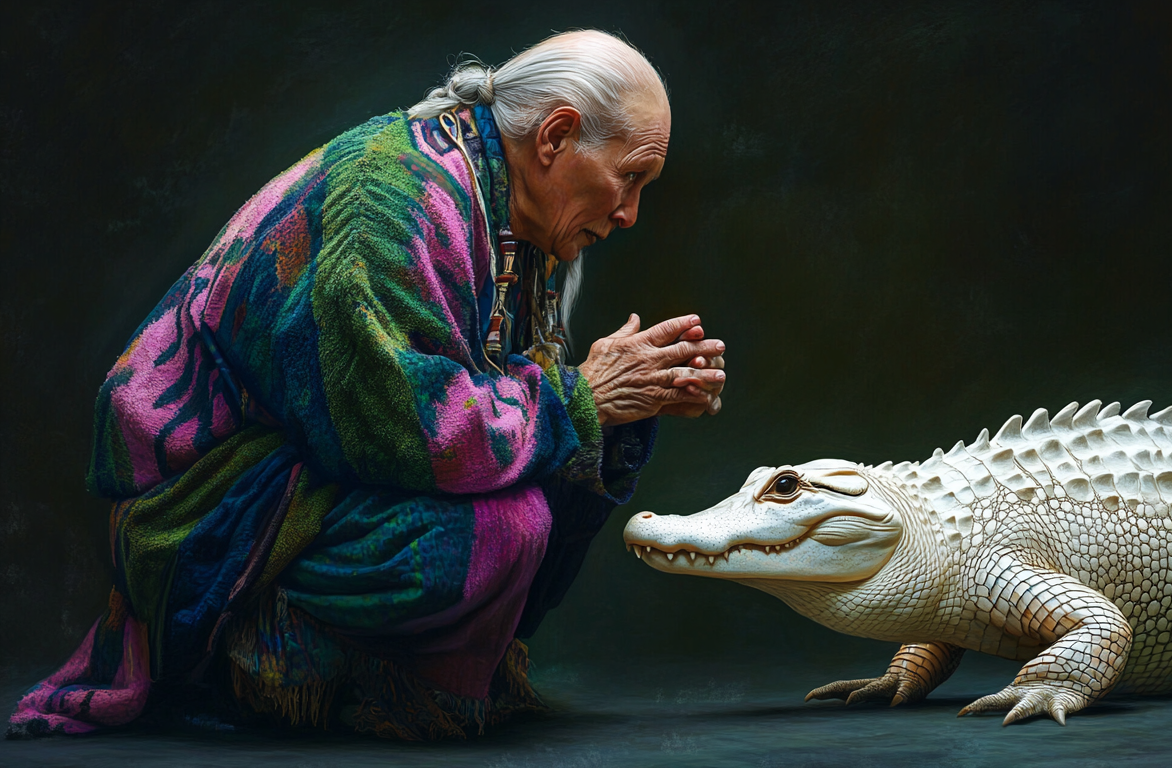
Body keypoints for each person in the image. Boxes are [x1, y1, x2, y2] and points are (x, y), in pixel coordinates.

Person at [7, 29, 723, 741]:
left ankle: (382, 672)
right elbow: (400, 430)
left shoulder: (501, 204)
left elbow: (473, 405)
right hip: (202, 508)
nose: (628, 212)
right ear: (556, 136)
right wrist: (583, 397)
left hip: (311, 469)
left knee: (573, 459)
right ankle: (261, 659)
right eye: (628, 177)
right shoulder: (390, 196)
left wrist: (626, 399)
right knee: (509, 527)